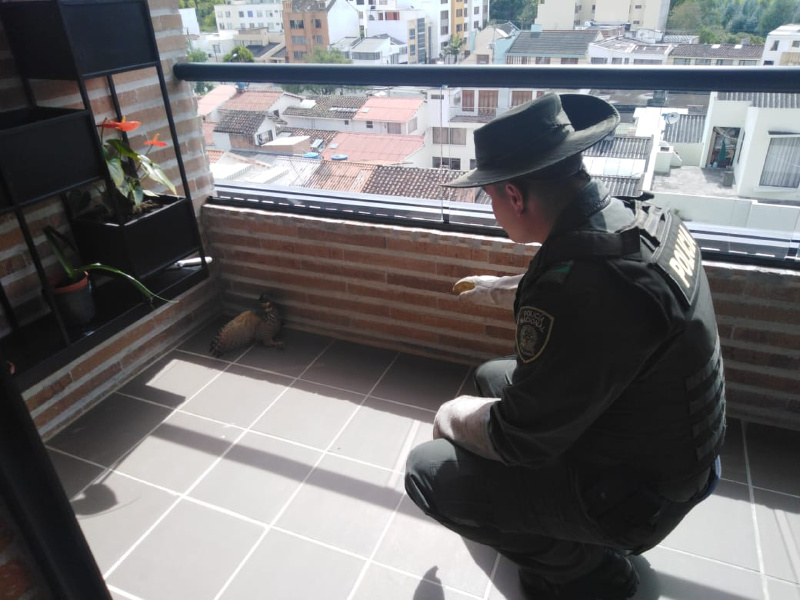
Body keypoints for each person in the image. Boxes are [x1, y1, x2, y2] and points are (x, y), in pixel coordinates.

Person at [404, 92, 726, 599]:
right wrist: (500, 286)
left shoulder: (579, 288)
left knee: (428, 471)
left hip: (641, 499)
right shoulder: (642, 221)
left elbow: (518, 437)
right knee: (492, 376)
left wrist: (451, 414)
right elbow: (600, 288)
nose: (491, 209)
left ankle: (587, 571)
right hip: (676, 451)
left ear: (515, 196)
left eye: (489, 197)